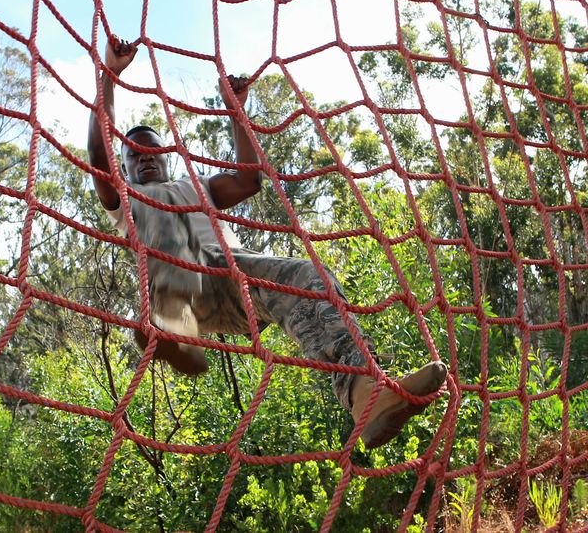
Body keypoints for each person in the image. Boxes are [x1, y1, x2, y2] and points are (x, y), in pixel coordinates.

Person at [86, 36, 447, 449]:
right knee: (175, 238)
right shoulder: (127, 200)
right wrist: (110, 74)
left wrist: (236, 111)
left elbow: (247, 180)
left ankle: (365, 394)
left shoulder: (195, 187)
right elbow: (99, 151)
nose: (144, 157)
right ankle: (170, 324)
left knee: (308, 278)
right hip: (176, 283)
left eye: (152, 151)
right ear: (126, 165)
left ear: (166, 158)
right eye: (133, 153)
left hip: (232, 280)